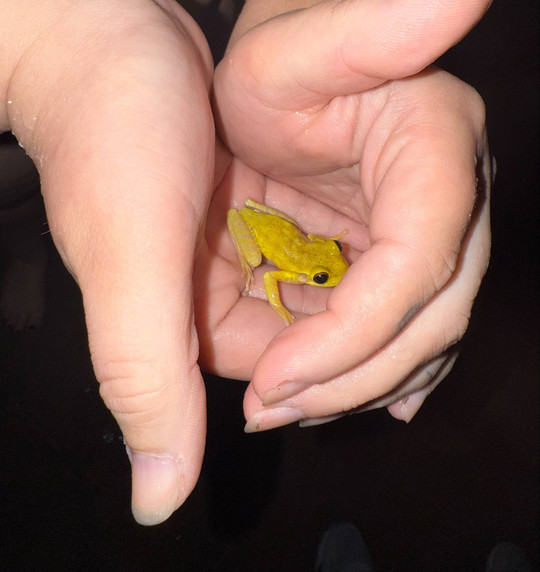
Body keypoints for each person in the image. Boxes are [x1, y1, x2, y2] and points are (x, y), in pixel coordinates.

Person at [0, 0, 492, 525]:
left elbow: (316, 244)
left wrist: (286, 20)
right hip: (250, 217)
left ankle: (26, 240)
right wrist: (43, 48)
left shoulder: (313, 253)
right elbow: (275, 275)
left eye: (329, 266)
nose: (331, 269)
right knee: (17, 184)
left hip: (261, 204)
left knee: (21, 191)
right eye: (323, 275)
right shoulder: (293, 269)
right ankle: (27, 242)